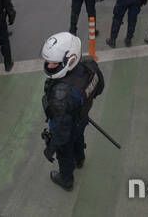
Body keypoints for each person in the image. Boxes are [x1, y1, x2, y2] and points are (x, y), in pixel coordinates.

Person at [41, 32, 104, 191]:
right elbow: (99, 88)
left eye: (54, 63)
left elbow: (61, 132)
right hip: (82, 117)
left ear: (71, 60)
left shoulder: (61, 96)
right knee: (78, 137)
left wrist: (51, 148)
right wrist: (82, 102)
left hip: (69, 125)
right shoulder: (90, 67)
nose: (49, 65)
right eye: (48, 61)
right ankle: (80, 159)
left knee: (65, 152)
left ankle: (66, 179)